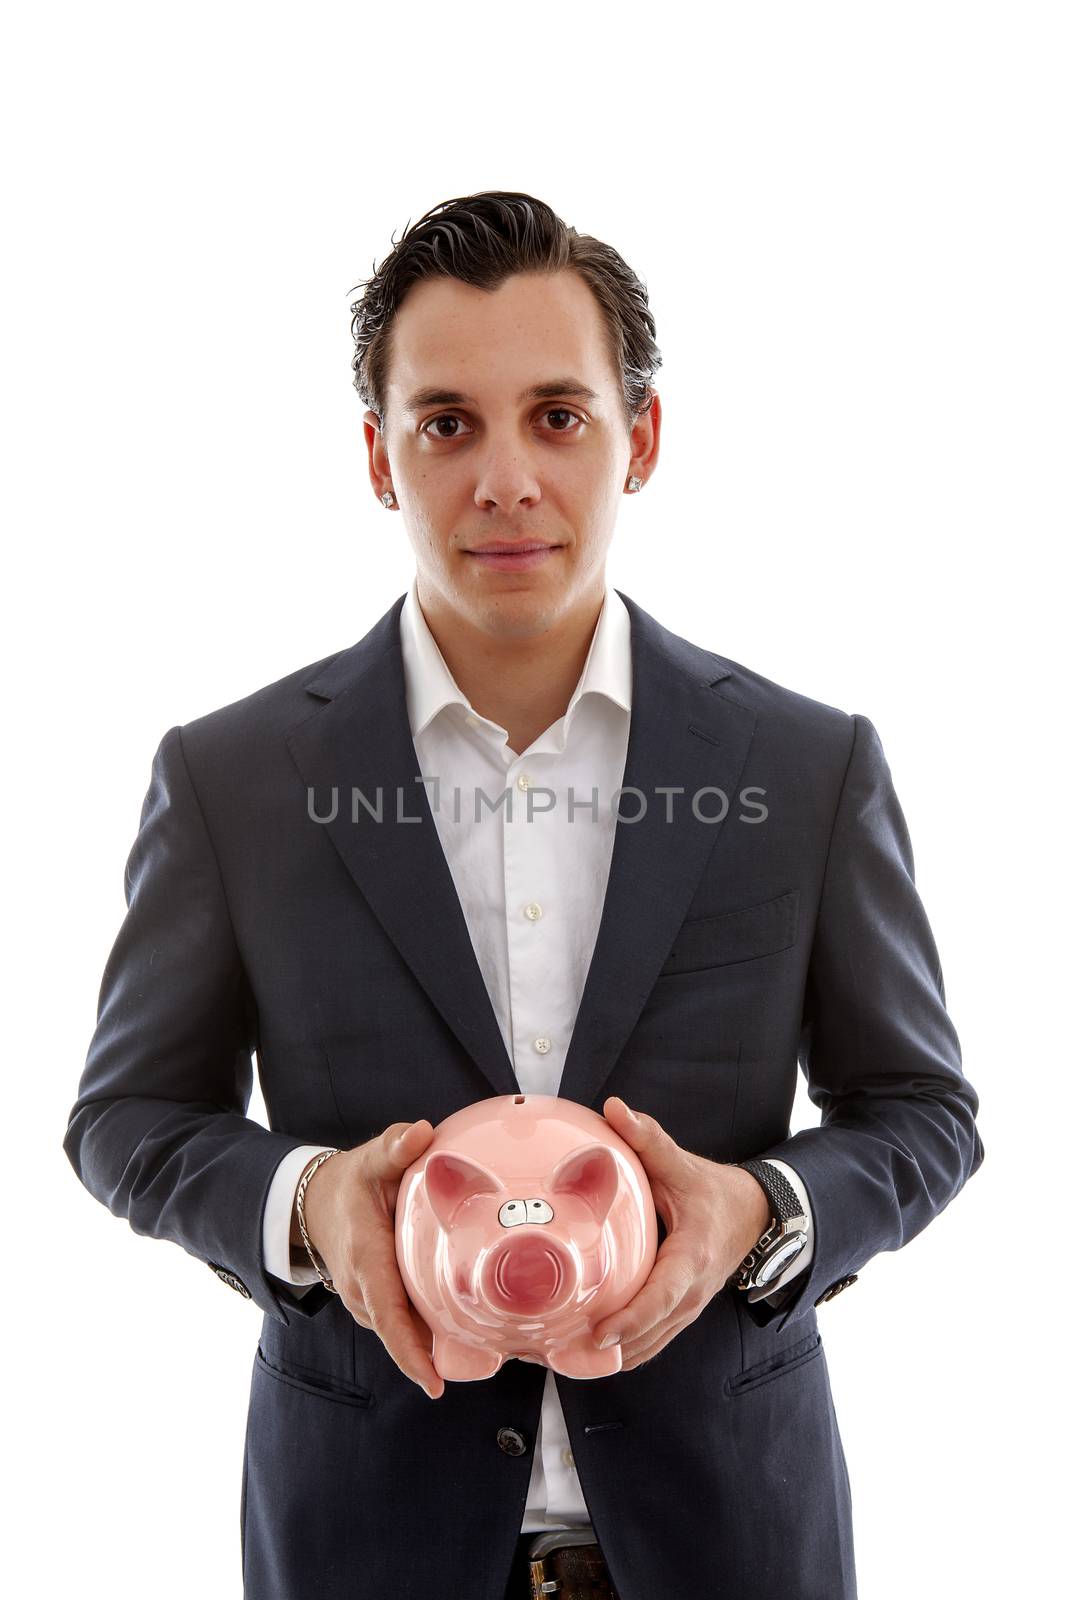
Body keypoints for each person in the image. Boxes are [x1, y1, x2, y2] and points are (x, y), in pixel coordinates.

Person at [62, 190, 984, 1600]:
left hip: (733, 1540)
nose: (506, 479)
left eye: (558, 415)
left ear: (643, 439)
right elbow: (126, 1119)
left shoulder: (806, 766)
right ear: (378, 455)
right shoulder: (230, 778)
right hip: (362, 1543)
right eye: (447, 424)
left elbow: (923, 1115)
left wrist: (762, 1212)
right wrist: (308, 1208)